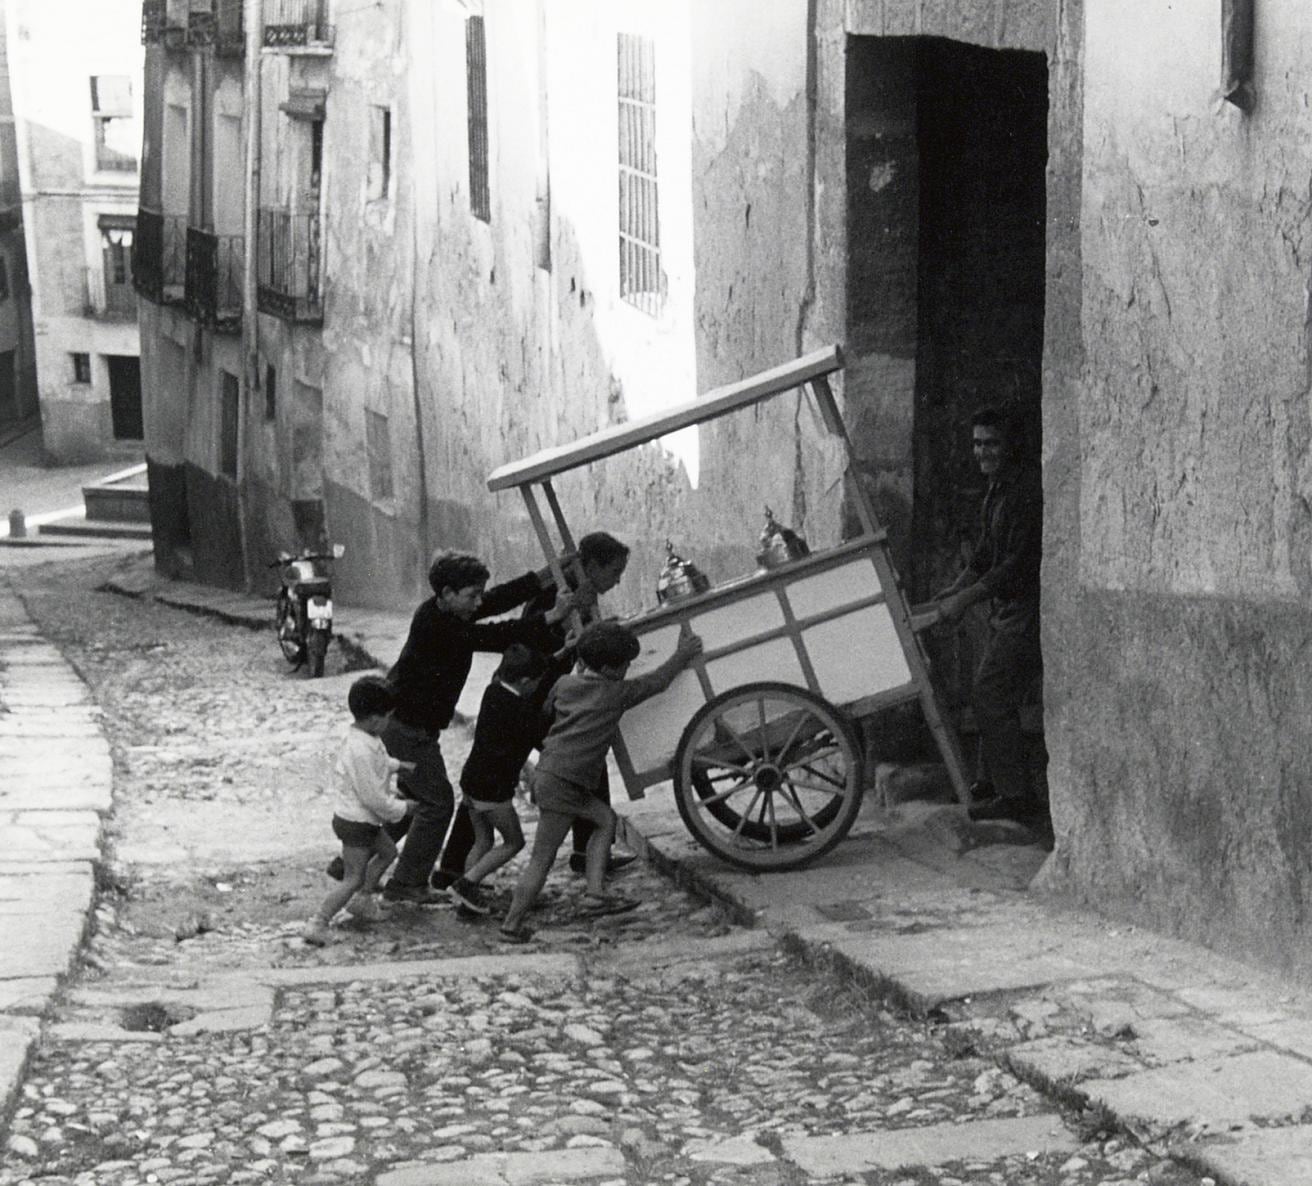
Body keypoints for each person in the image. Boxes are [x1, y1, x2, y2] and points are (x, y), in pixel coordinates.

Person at [433, 531, 634, 888]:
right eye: (614, 570)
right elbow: (530, 638)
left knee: (489, 780)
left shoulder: (574, 595)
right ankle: (453, 870)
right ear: (591, 567)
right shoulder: (557, 595)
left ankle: (584, 853)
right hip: (524, 696)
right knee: (490, 781)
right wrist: (567, 621)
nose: (617, 579)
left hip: (538, 693)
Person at [380, 550, 571, 904]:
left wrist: (540, 577)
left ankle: (355, 862)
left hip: (407, 725)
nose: (478, 602)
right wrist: (550, 617)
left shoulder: (446, 611)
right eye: (471, 595)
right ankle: (405, 885)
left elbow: (495, 601)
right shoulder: (439, 626)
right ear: (447, 593)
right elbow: (495, 636)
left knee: (412, 800)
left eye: (477, 594)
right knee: (435, 805)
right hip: (407, 729)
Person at [499, 620, 703, 944]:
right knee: (543, 857)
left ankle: (595, 896)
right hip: (565, 783)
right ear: (610, 668)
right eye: (625, 665)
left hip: (551, 773)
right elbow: (659, 681)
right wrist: (682, 654)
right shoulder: (615, 694)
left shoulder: (565, 684)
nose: (627, 670)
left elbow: (549, 710)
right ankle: (511, 925)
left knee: (605, 820)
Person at [930, 406, 1044, 825]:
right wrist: (956, 587)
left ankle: (1016, 798)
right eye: (978, 443)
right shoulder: (995, 490)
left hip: (1026, 612)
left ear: (1009, 444)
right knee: (987, 692)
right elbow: (983, 555)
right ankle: (991, 783)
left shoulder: (1025, 493)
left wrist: (966, 599)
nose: (983, 452)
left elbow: (1015, 564)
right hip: (1005, 612)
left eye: (992, 443)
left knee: (991, 694)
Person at [303, 676, 414, 946]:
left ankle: (362, 900)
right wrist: (402, 807)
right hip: (357, 822)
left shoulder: (366, 738)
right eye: (388, 717)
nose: (389, 722)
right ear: (375, 719)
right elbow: (373, 797)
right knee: (352, 878)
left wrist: (397, 765)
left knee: (388, 852)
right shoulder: (360, 749)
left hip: (363, 821)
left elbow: (380, 761)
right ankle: (318, 921)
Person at [445, 644, 551, 915]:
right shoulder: (520, 710)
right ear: (526, 682)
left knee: (483, 842)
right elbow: (542, 736)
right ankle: (466, 884)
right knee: (514, 841)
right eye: (537, 683)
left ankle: (468, 895)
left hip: (472, 782)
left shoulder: (493, 690)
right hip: (493, 790)